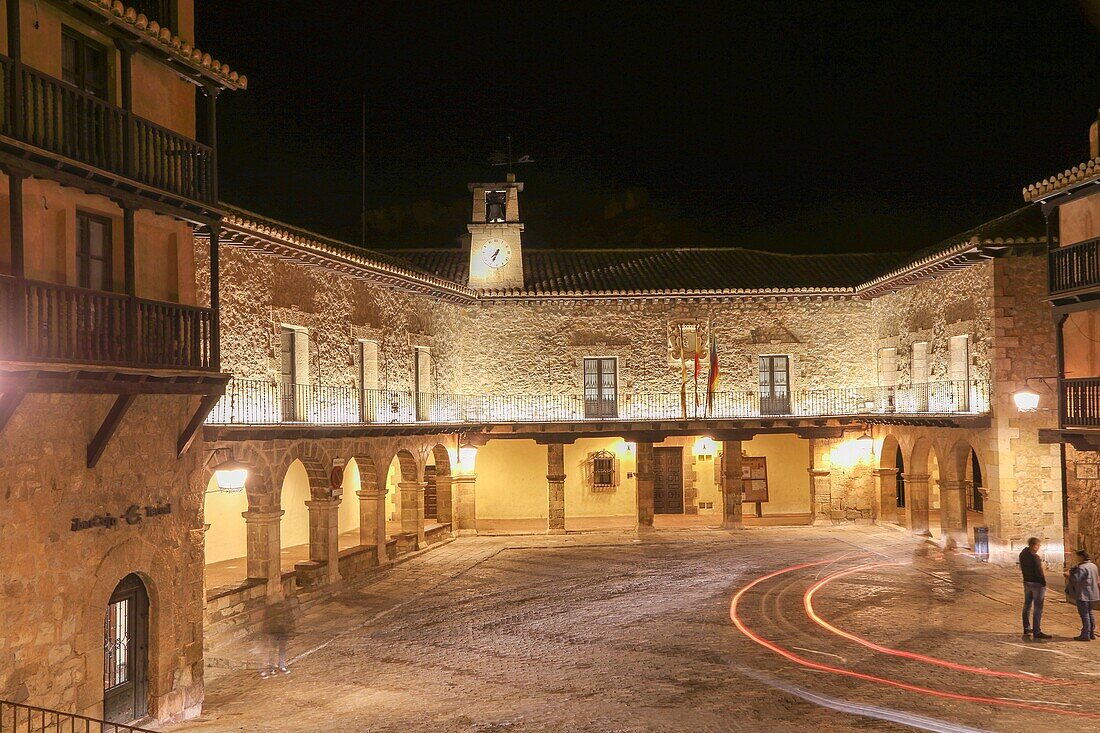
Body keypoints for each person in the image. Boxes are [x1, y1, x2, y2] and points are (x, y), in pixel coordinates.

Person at [1019, 537, 1050, 640]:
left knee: (1027, 605)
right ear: (1034, 545)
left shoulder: (1023, 554)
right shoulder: (1035, 557)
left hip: (1027, 582)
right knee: (1038, 607)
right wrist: (1043, 583)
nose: (1039, 548)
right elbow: (1039, 571)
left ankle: (1027, 627)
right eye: (1038, 546)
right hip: (1037, 584)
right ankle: (1037, 631)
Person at [1068, 549, 1100, 642]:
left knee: (1084, 614)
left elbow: (1075, 579)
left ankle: (1085, 634)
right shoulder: (1093, 566)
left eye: (1077, 556)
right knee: (1090, 613)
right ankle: (1091, 633)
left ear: (1081, 557)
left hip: (1083, 594)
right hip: (1092, 593)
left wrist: (1070, 572)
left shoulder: (1082, 568)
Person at [260, 596, 295, 677]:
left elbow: (288, 621)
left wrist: (290, 630)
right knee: (273, 650)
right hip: (273, 633)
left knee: (281, 650)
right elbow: (266, 622)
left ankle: (281, 666)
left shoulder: (284, 609)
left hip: (282, 632)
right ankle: (272, 668)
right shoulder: (270, 611)